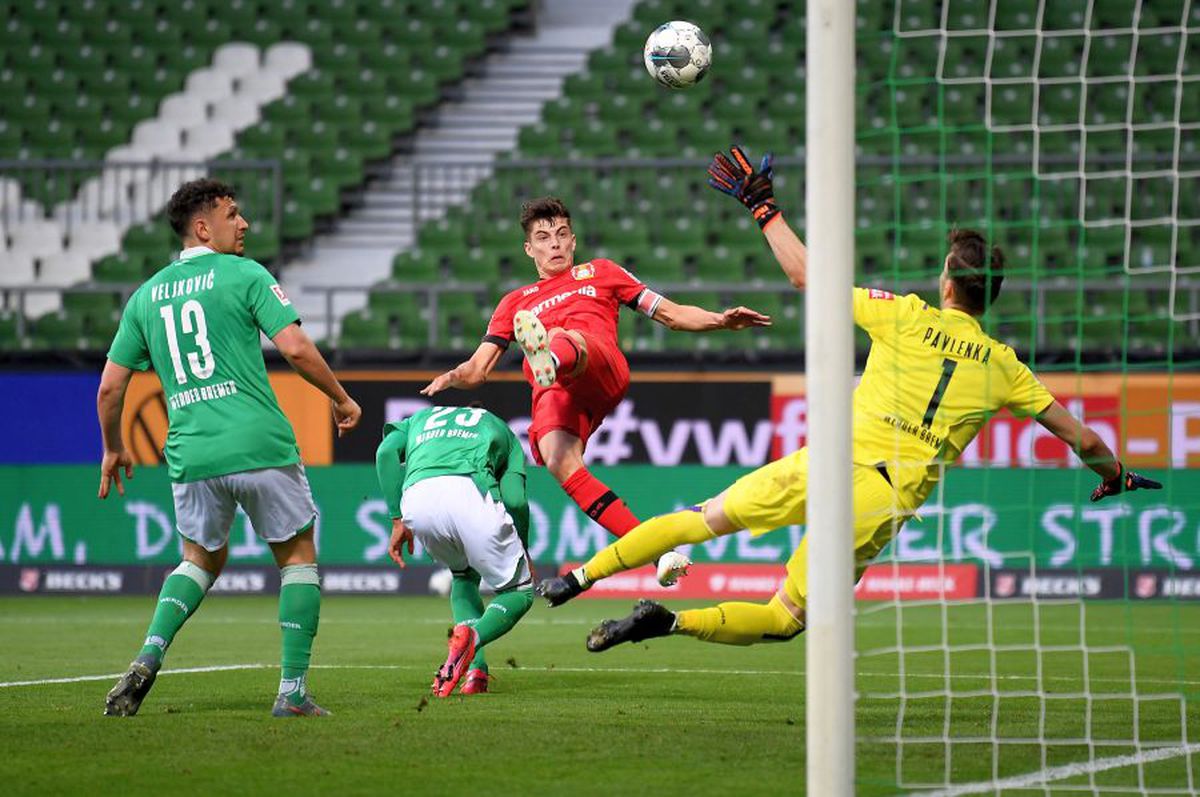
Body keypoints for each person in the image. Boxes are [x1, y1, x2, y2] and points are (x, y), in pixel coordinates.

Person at [536, 145, 1163, 652]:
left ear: (946, 281)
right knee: (784, 618)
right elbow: (1084, 440)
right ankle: (671, 623)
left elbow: (807, 277)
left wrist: (764, 210)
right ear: (988, 297)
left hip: (827, 460)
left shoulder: (904, 315)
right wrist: (1116, 475)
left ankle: (580, 577)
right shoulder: (1006, 368)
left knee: (701, 520)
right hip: (881, 494)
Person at [98, 178, 362, 717]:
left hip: (191, 454)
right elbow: (295, 348)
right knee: (297, 558)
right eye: (233, 214)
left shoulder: (145, 296)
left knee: (199, 559)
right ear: (203, 227)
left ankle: (149, 655)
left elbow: (109, 388)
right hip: (258, 443)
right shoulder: (245, 274)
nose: (244, 224)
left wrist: (113, 446)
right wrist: (340, 397)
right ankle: (291, 693)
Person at [420, 197, 771, 587]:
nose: (554, 243)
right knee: (558, 460)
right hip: (555, 390)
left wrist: (720, 320)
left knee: (560, 336)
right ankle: (659, 553)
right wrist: (455, 376)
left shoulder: (600, 273)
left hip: (598, 364)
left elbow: (670, 313)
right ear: (529, 248)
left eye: (561, 235)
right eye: (543, 237)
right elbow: (478, 369)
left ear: (573, 241)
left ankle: (551, 355)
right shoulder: (513, 303)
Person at [376, 404, 533, 697]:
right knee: (520, 592)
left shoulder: (420, 418)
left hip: (418, 500)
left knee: (463, 577)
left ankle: (476, 673)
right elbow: (516, 500)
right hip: (471, 491)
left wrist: (397, 519)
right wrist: (524, 547)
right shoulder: (500, 428)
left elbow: (385, 453)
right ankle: (472, 639)